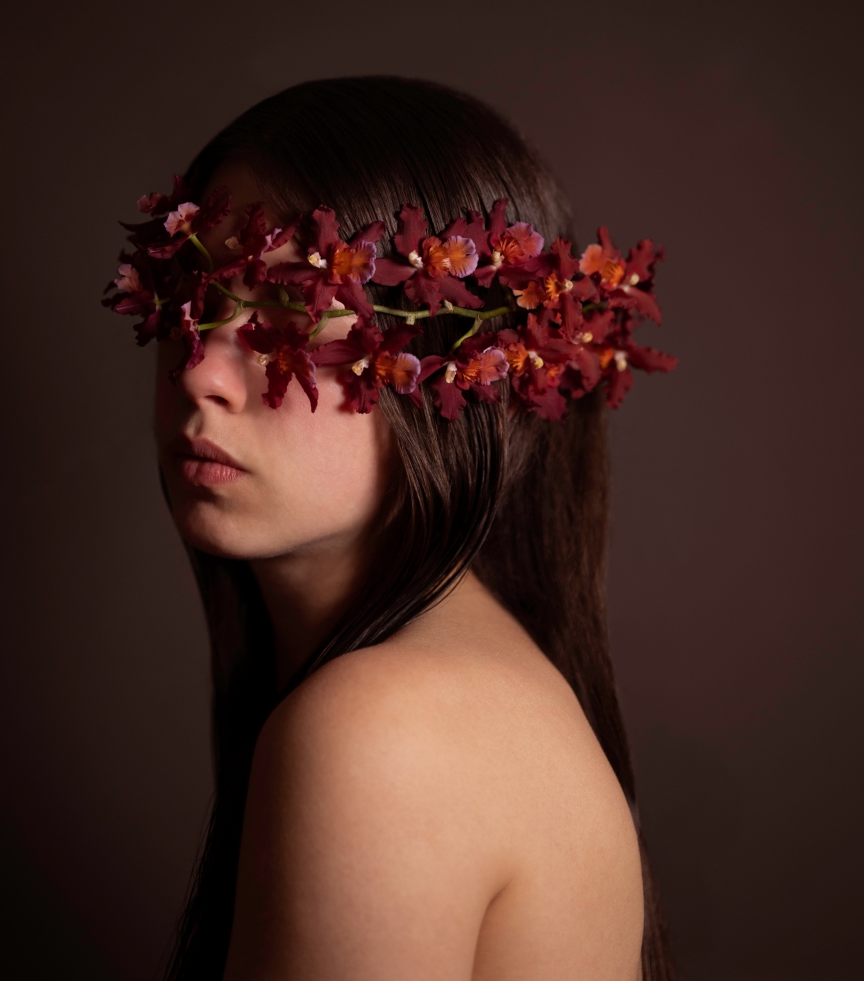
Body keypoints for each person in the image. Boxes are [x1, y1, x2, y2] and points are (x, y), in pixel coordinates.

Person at [110, 76, 675, 979]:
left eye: (292, 313)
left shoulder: (383, 728)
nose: (200, 373)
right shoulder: (455, 687)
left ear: (463, 371)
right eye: (190, 296)